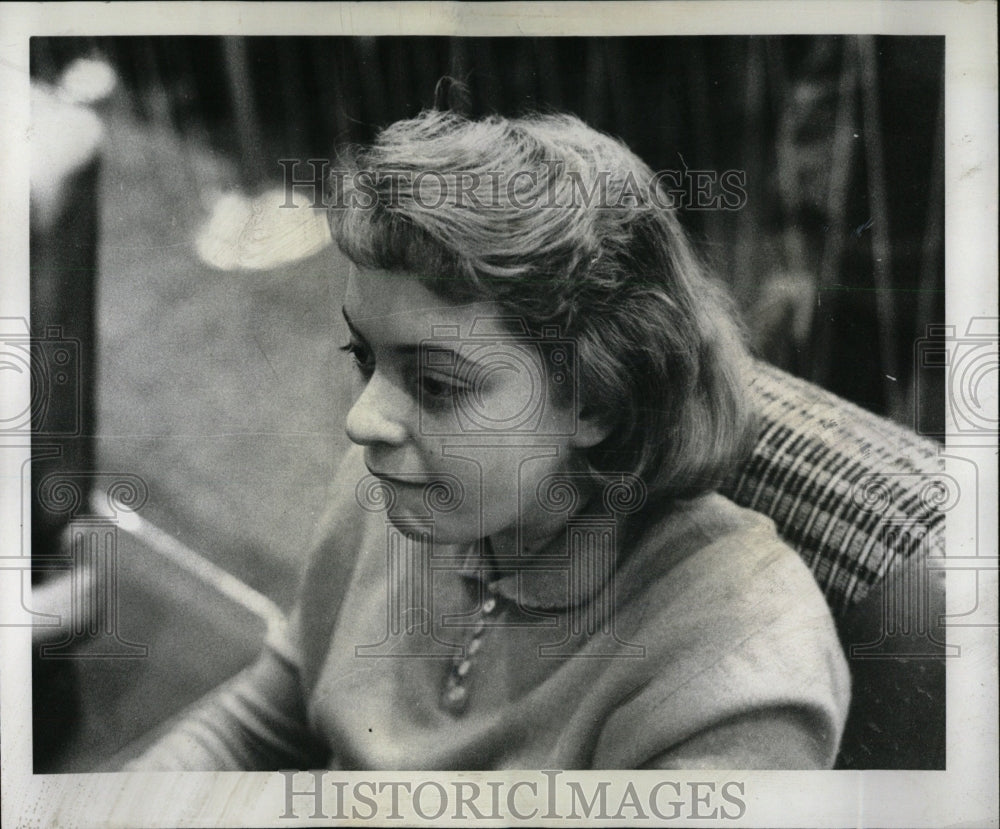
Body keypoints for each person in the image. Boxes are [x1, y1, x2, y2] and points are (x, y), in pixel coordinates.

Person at [128, 110, 849, 771]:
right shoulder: (391, 493)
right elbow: (259, 724)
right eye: (366, 358)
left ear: (595, 398)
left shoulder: (739, 661)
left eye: (437, 385)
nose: (362, 421)